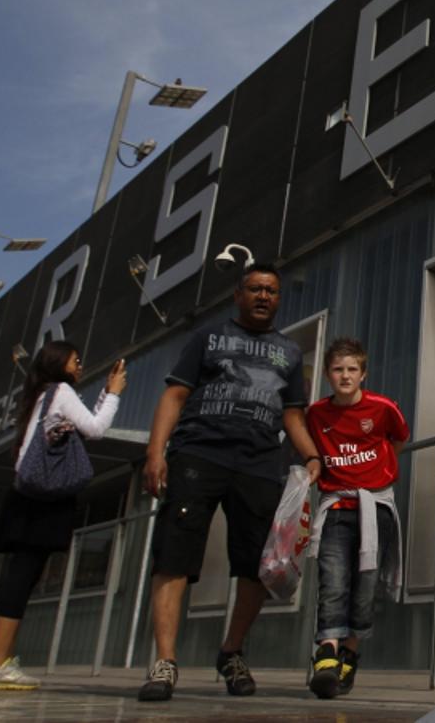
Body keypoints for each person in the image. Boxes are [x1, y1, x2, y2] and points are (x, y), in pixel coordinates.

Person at [138, 262, 322, 702]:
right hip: (198, 453)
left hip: (260, 462)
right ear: (237, 294)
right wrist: (154, 451)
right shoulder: (208, 337)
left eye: (272, 291)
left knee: (258, 565)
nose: (263, 296)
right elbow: (175, 393)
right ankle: (165, 662)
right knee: (174, 556)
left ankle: (232, 651)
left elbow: (292, 412)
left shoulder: (290, 352)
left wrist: (313, 454)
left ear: (279, 298)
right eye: (255, 289)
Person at [0, 342, 127, 690]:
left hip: (25, 497)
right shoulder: (61, 391)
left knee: (22, 578)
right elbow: (96, 429)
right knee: (22, 577)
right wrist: (114, 394)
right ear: (60, 364)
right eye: (76, 360)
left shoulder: (42, 395)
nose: (80, 365)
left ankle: (1, 661)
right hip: (41, 501)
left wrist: (104, 393)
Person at [304, 337, 408, 699]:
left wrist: (379, 471)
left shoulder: (383, 408)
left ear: (363, 373)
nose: (345, 376)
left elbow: (398, 439)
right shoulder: (316, 414)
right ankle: (327, 655)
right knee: (333, 579)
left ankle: (350, 651)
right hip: (335, 507)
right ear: (327, 375)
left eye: (352, 369)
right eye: (337, 369)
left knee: (365, 588)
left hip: (373, 507)